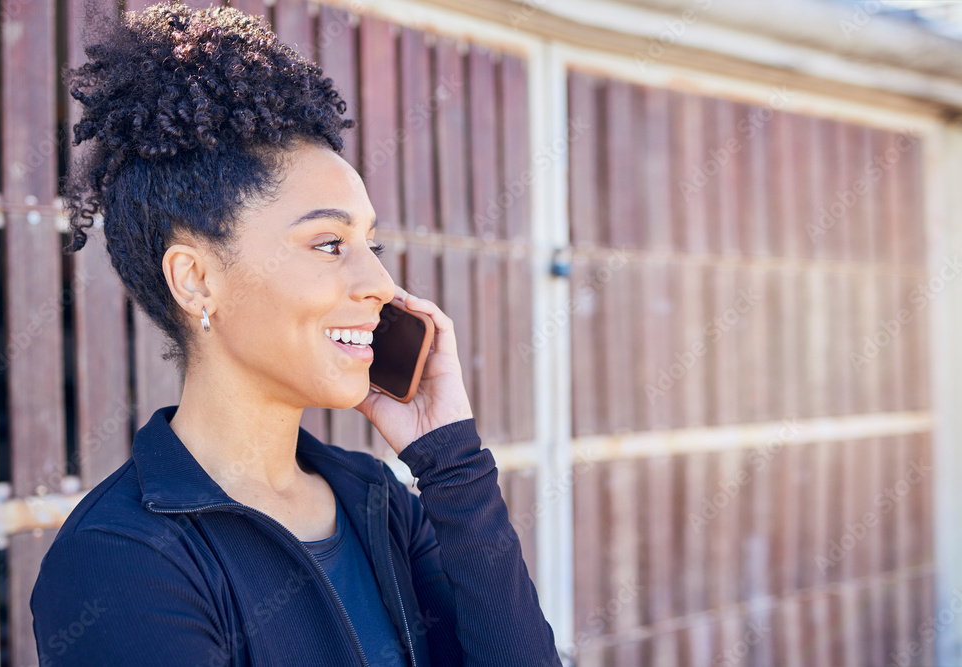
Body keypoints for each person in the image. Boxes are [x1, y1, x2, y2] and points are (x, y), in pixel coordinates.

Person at [29, 2, 563, 666]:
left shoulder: (377, 504)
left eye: (371, 242)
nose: (377, 281)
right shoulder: (119, 558)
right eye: (330, 243)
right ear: (196, 280)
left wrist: (450, 462)